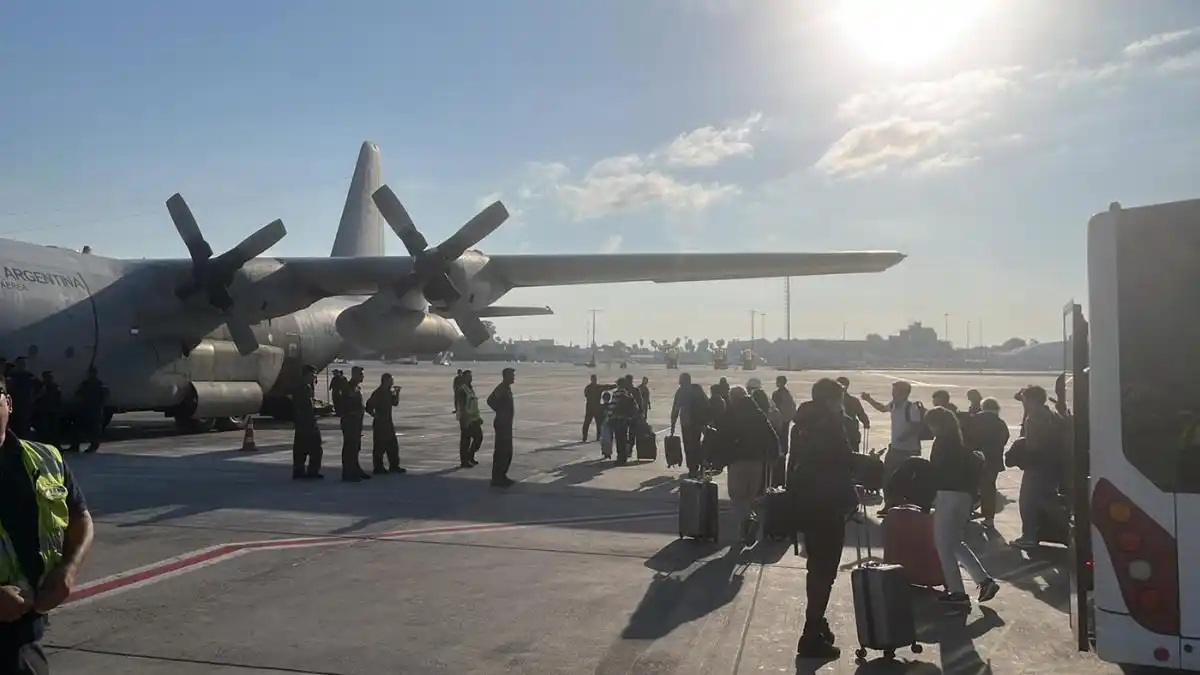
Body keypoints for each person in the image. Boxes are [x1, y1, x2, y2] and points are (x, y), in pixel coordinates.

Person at [0, 378, 95, 674]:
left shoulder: (45, 458)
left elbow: (80, 516)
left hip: (24, 633)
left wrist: (69, 568)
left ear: (9, 403)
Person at [788, 378, 860, 659]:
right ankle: (811, 634)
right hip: (827, 507)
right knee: (824, 572)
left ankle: (818, 623)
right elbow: (839, 465)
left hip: (805, 504)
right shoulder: (829, 427)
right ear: (831, 400)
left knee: (816, 569)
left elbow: (795, 464)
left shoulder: (802, 424)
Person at [925, 406, 1000, 609]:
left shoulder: (941, 444)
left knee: (943, 545)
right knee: (955, 542)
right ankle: (984, 580)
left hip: (947, 495)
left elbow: (936, 472)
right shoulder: (960, 443)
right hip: (963, 497)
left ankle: (957, 591)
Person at [712, 386, 778, 545]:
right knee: (749, 497)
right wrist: (773, 456)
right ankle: (746, 528)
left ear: (733, 398)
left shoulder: (731, 414)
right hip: (757, 462)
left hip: (737, 461)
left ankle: (749, 521)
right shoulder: (758, 413)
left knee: (736, 497)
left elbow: (722, 438)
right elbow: (771, 436)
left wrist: (718, 461)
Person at [1012, 385, 1069, 549]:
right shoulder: (1051, 413)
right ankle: (1068, 531)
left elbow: (1035, 444)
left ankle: (1029, 536)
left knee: (1028, 501)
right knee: (1049, 501)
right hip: (1052, 464)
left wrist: (1022, 447)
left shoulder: (1035, 417)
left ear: (1030, 400)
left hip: (1037, 465)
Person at [861, 381, 924, 516]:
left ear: (905, 393)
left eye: (896, 392)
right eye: (893, 392)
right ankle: (889, 505)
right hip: (895, 449)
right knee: (888, 478)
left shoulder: (911, 408)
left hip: (909, 451)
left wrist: (903, 436)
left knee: (905, 480)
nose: (893, 394)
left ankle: (904, 507)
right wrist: (869, 400)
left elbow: (916, 426)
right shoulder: (894, 405)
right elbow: (882, 408)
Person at [970, 397, 1010, 528]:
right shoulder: (1000, 423)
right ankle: (989, 517)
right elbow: (1004, 438)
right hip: (994, 460)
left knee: (972, 485)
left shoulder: (974, 420)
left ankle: (970, 509)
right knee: (989, 488)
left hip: (976, 458)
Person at [670, 373, 709, 477]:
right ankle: (701, 462)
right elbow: (707, 404)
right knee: (697, 442)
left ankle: (692, 467)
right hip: (698, 422)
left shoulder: (681, 391)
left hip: (686, 423)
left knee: (688, 445)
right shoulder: (697, 389)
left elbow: (675, 409)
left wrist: (673, 426)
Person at [366, 373, 405, 475]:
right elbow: (368, 407)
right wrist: (375, 415)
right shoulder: (378, 393)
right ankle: (378, 467)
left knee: (392, 445)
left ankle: (394, 465)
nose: (392, 382)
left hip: (388, 422)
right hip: (380, 423)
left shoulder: (388, 392)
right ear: (385, 381)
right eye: (391, 380)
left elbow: (395, 403)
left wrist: (397, 393)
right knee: (379, 446)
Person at [292, 366, 324, 480]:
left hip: (301, 423)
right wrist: (320, 410)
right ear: (306, 375)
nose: (314, 377)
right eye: (312, 375)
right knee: (316, 449)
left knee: (300, 449)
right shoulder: (304, 388)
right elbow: (307, 406)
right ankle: (312, 471)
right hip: (307, 423)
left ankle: (299, 471)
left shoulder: (302, 386)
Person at [339, 366, 370, 482]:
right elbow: (344, 405)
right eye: (361, 374)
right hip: (350, 421)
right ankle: (347, 473)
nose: (362, 376)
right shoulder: (349, 388)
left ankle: (355, 469)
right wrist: (353, 413)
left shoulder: (356, 387)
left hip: (356, 422)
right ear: (354, 374)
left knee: (356, 447)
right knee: (349, 447)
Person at [65, 368, 107, 454]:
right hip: (85, 409)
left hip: (94, 410)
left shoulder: (99, 385)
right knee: (79, 428)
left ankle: (93, 446)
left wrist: (97, 404)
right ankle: (75, 446)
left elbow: (104, 396)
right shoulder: (86, 384)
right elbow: (78, 393)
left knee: (94, 430)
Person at [487, 368, 516, 488]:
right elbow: (490, 401)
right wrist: (500, 412)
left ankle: (502, 475)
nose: (514, 377)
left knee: (507, 451)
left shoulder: (507, 388)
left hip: (506, 424)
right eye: (512, 375)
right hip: (502, 424)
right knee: (501, 451)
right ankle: (497, 478)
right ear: (506, 376)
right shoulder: (501, 388)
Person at [455, 370, 483, 469]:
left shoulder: (470, 388)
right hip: (466, 419)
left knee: (478, 438)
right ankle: (464, 461)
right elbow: (462, 407)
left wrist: (478, 417)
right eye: (468, 377)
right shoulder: (462, 390)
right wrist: (464, 420)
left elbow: (473, 404)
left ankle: (470, 456)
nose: (470, 378)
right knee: (465, 441)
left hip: (474, 419)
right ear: (464, 378)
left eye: (471, 376)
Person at [836, 377, 871, 446]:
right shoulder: (853, 401)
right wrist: (866, 423)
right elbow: (862, 415)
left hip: (838, 435)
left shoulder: (830, 401)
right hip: (852, 433)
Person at [581, 375, 614, 442]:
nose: (594, 380)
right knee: (588, 423)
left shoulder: (591, 387)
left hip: (594, 407)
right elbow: (586, 395)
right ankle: (585, 437)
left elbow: (607, 387)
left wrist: (614, 386)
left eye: (595, 379)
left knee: (598, 423)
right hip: (591, 408)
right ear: (591, 379)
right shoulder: (591, 388)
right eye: (593, 379)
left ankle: (597, 437)